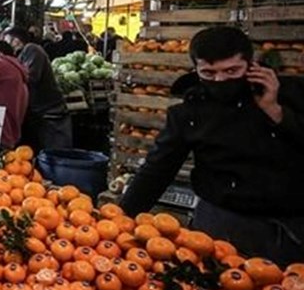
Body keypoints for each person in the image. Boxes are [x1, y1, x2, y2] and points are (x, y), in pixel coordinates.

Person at [120, 27, 304, 264]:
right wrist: (122, 218)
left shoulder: (290, 94)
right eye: (209, 73)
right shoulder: (190, 112)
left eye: (231, 70)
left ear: (251, 65)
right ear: (196, 69)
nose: (220, 80)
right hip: (220, 223)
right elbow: (158, 168)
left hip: (288, 228)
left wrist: (276, 112)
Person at [3, 27, 73, 152]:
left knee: (54, 154)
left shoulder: (32, 49)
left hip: (51, 113)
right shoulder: (20, 55)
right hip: (38, 112)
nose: (6, 45)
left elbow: (30, 77)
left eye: (7, 41)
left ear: (16, 40)